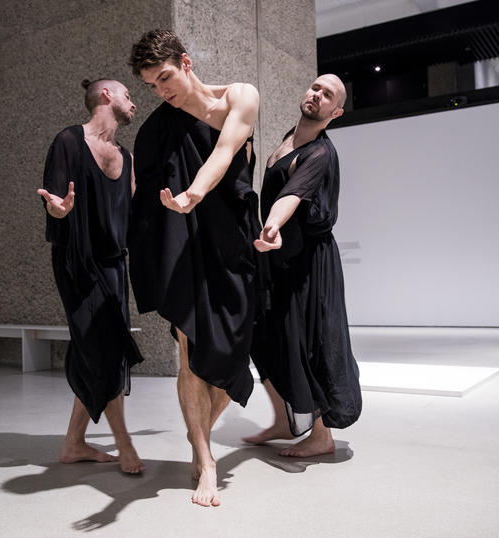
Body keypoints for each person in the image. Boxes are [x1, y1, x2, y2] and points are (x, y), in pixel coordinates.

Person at [127, 29, 260, 506]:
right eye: (151, 86)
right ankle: (205, 461)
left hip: (232, 242)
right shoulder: (157, 130)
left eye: (164, 78)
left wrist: (193, 193)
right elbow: (143, 197)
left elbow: (224, 153)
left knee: (233, 351)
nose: (161, 92)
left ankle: (197, 431)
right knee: (189, 353)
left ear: (185, 62)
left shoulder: (239, 96)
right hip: (183, 244)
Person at [243, 74, 362, 457]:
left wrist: (272, 224)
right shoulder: (288, 138)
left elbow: (291, 196)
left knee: (312, 343)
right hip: (280, 257)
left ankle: (322, 435)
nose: (317, 95)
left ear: (336, 111)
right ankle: (283, 418)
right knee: (264, 339)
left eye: (328, 95)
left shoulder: (320, 153)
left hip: (310, 263)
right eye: (315, 87)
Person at [37, 78, 145, 474]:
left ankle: (73, 444)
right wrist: (59, 210)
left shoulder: (126, 157)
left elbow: (132, 214)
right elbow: (54, 203)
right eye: (128, 95)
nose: (133, 102)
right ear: (106, 96)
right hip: (78, 264)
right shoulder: (68, 141)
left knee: (98, 353)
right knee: (104, 350)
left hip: (115, 267)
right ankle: (124, 443)